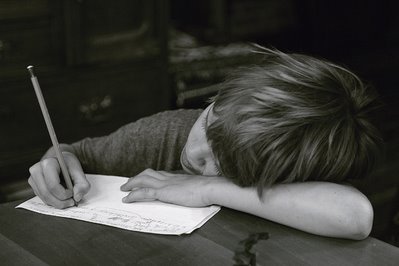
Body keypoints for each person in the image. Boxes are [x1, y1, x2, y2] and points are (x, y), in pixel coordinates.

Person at [28, 46, 383, 240]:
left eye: (225, 164)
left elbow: (355, 215)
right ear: (215, 99)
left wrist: (206, 188)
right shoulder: (166, 134)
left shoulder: (292, 166)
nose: (196, 156)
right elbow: (75, 153)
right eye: (209, 125)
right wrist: (55, 165)